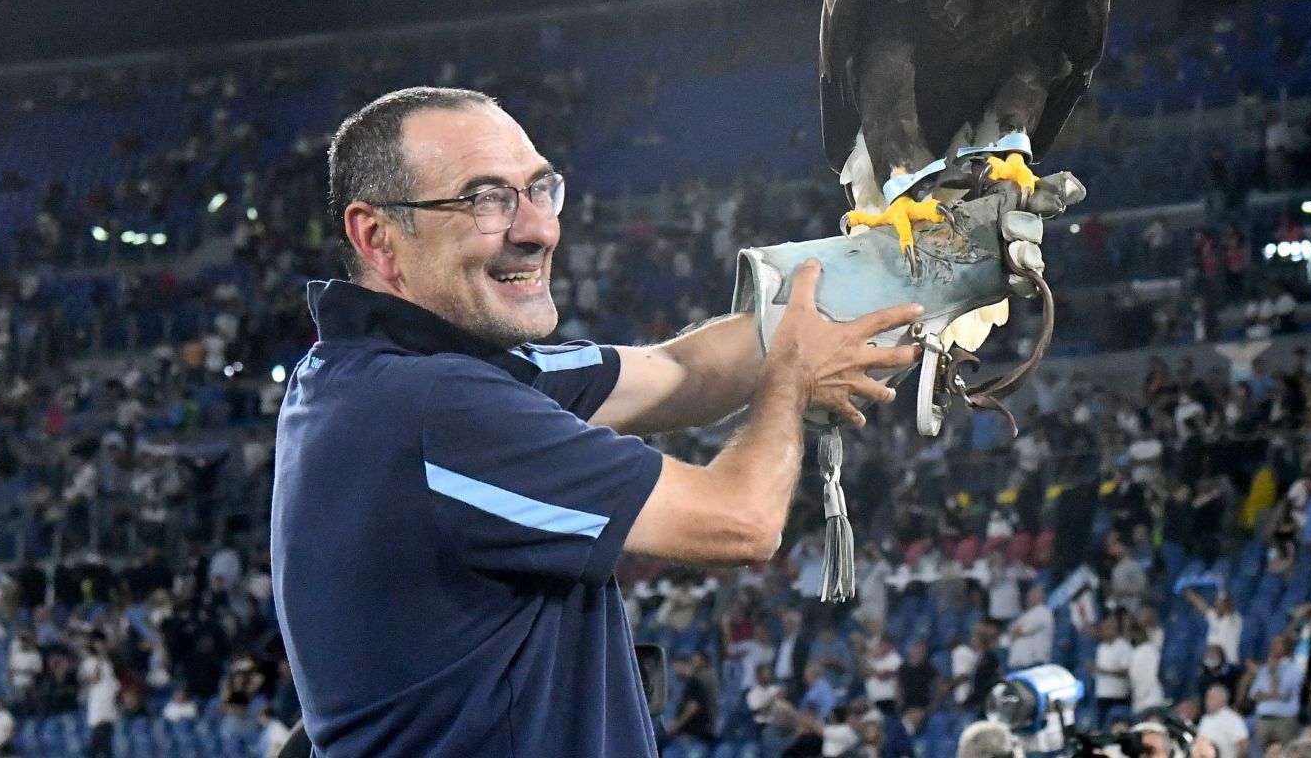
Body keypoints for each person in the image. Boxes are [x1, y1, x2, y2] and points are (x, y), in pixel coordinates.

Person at [273, 88, 923, 757]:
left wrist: (895, 274)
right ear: (378, 238)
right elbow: (742, 520)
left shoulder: (370, 378)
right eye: (484, 200)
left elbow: (679, 371)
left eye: (539, 189)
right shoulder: (436, 407)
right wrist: (795, 380)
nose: (538, 229)